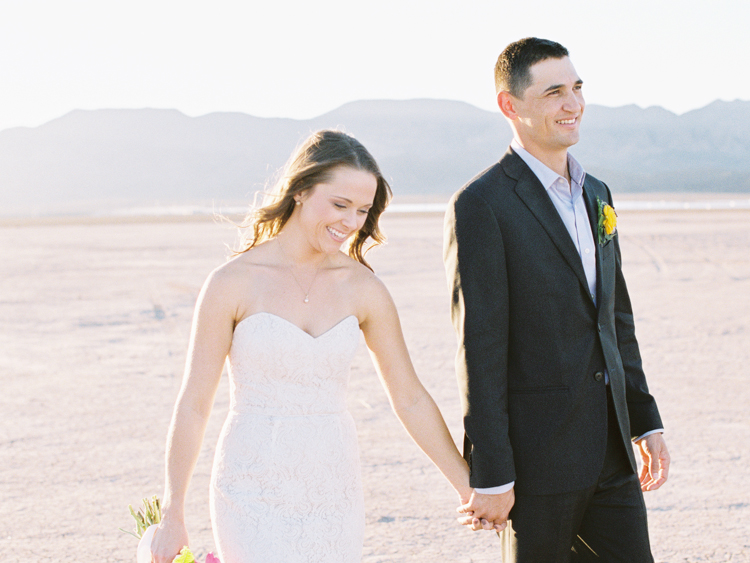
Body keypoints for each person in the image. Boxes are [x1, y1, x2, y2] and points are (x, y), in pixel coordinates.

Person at [149, 130, 472, 563]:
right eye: (340, 205)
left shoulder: (364, 288)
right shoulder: (231, 282)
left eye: (362, 210)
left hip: (332, 487)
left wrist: (468, 486)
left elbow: (410, 397)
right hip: (249, 485)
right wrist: (173, 511)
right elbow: (193, 404)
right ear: (300, 189)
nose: (352, 222)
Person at [443, 38, 670, 561]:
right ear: (510, 105)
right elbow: (478, 348)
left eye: (576, 88)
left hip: (612, 453)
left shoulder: (598, 194)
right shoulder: (482, 205)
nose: (573, 104)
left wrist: (644, 418)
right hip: (536, 465)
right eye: (553, 93)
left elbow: (614, 317)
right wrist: (492, 472)